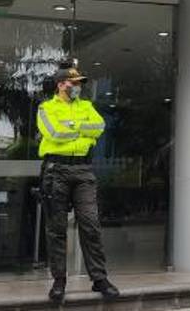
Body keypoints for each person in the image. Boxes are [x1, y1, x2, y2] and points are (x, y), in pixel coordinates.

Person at [37, 66, 119, 302]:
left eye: (80, 83)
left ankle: (99, 279)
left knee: (90, 224)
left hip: (84, 170)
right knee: (56, 228)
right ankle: (59, 280)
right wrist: (82, 130)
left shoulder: (86, 106)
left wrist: (72, 127)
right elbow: (54, 133)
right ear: (61, 84)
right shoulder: (46, 108)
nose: (78, 87)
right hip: (56, 170)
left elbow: (99, 127)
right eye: (74, 83)